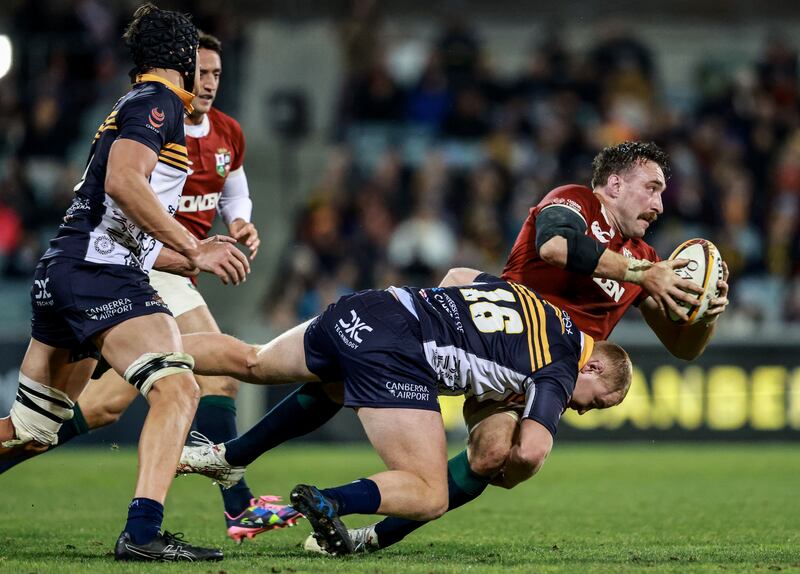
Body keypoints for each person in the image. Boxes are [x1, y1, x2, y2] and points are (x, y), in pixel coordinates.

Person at [0, 30, 300, 543]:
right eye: (199, 70)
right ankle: (228, 504)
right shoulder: (158, 106)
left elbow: (221, 193)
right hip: (125, 267)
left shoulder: (204, 126)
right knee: (198, 379)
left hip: (108, 261)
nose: (205, 83)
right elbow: (121, 185)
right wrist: (194, 249)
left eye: (215, 74)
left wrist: (237, 222)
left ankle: (227, 495)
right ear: (181, 66)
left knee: (73, 415)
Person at [176, 277, 634, 555]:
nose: (580, 409)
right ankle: (328, 502)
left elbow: (462, 276)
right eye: (593, 401)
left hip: (372, 306)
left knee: (253, 361)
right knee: (429, 493)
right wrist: (516, 465)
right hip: (397, 348)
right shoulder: (558, 369)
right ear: (591, 366)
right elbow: (531, 450)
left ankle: (145, 353)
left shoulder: (540, 307)